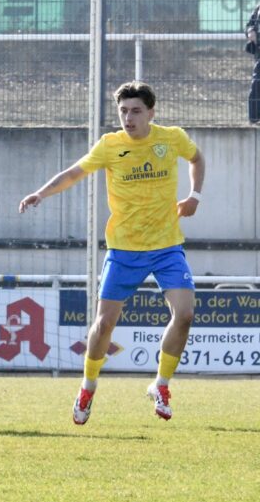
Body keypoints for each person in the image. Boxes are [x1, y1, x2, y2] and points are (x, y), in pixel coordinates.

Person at [19, 81, 205, 425]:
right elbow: (74, 173)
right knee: (104, 324)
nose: (128, 118)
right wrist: (40, 194)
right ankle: (87, 388)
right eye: (123, 111)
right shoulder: (110, 145)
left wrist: (195, 195)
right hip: (123, 249)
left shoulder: (171, 138)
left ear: (151, 112)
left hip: (166, 247)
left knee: (185, 314)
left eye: (135, 111)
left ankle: (160, 385)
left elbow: (196, 158)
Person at [246, 2, 260, 125]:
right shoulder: (258, 8)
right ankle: (254, 119)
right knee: (257, 84)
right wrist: (251, 31)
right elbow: (250, 24)